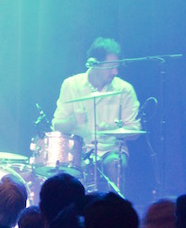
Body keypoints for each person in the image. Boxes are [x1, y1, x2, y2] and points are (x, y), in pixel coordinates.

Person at [52, 37, 140, 192]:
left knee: (115, 164)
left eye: (117, 67)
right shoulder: (71, 85)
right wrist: (73, 120)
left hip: (111, 150)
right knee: (61, 172)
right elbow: (57, 125)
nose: (115, 72)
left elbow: (134, 131)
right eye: (111, 67)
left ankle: (115, 209)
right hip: (79, 151)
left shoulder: (125, 89)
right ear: (94, 63)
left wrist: (113, 129)